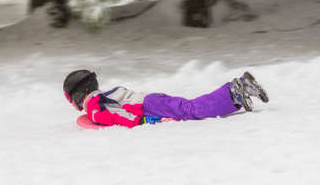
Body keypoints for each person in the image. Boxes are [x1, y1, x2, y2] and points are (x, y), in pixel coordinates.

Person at [63, 69, 269, 128]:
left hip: (149, 107)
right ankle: (236, 96)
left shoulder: (94, 108)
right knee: (190, 108)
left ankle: (235, 90)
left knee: (192, 110)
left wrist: (145, 121)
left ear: (76, 94)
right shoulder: (100, 98)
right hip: (150, 100)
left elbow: (118, 116)